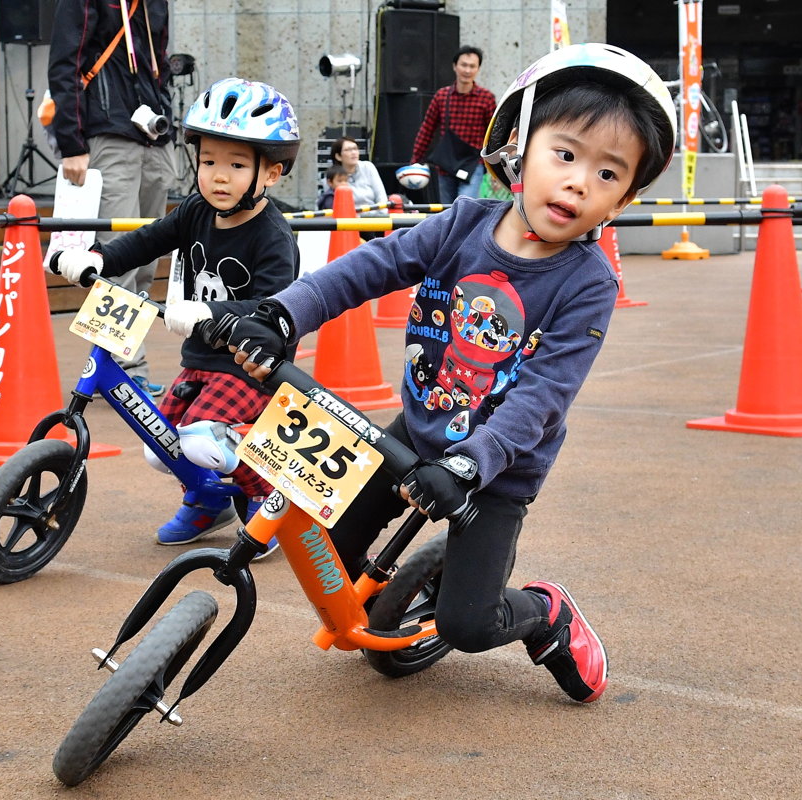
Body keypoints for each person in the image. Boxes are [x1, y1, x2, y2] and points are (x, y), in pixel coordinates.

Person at [215, 44, 676, 703]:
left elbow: (544, 394)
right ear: (519, 145)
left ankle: (544, 612)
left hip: (495, 470)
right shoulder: (462, 224)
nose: (579, 182)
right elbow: (364, 271)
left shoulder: (588, 281)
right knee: (327, 554)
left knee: (467, 623)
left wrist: (472, 464)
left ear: (624, 197)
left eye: (609, 174)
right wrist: (282, 316)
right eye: (566, 154)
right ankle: (406, 584)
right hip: (415, 430)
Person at [48, 78, 301, 555]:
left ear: (270, 173)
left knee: (201, 441)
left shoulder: (272, 235)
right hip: (202, 356)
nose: (218, 177)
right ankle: (208, 500)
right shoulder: (195, 210)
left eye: (236, 165)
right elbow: (148, 239)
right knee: (159, 447)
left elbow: (275, 305)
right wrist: (98, 258)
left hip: (251, 363)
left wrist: (209, 310)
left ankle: (266, 497)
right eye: (208, 162)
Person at [48, 0, 174, 398]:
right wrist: (71, 143)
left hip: (153, 133)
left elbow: (160, 59)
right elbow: (64, 63)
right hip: (109, 130)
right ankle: (122, 368)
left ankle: (122, 362)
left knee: (147, 261)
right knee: (117, 258)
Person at [410, 45, 496, 204]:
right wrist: (415, 160)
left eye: (472, 66)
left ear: (478, 69)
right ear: (455, 66)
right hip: (446, 164)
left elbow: (494, 135)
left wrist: (496, 170)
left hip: (473, 164)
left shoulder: (486, 98)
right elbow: (427, 129)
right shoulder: (442, 96)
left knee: (466, 207)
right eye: (464, 65)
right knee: (446, 211)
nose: (467, 70)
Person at [329, 137, 387, 210]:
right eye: (348, 150)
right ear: (338, 156)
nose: (353, 152)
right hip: (347, 219)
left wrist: (381, 215)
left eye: (355, 149)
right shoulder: (333, 175)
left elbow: (381, 197)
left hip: (374, 217)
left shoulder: (368, 167)